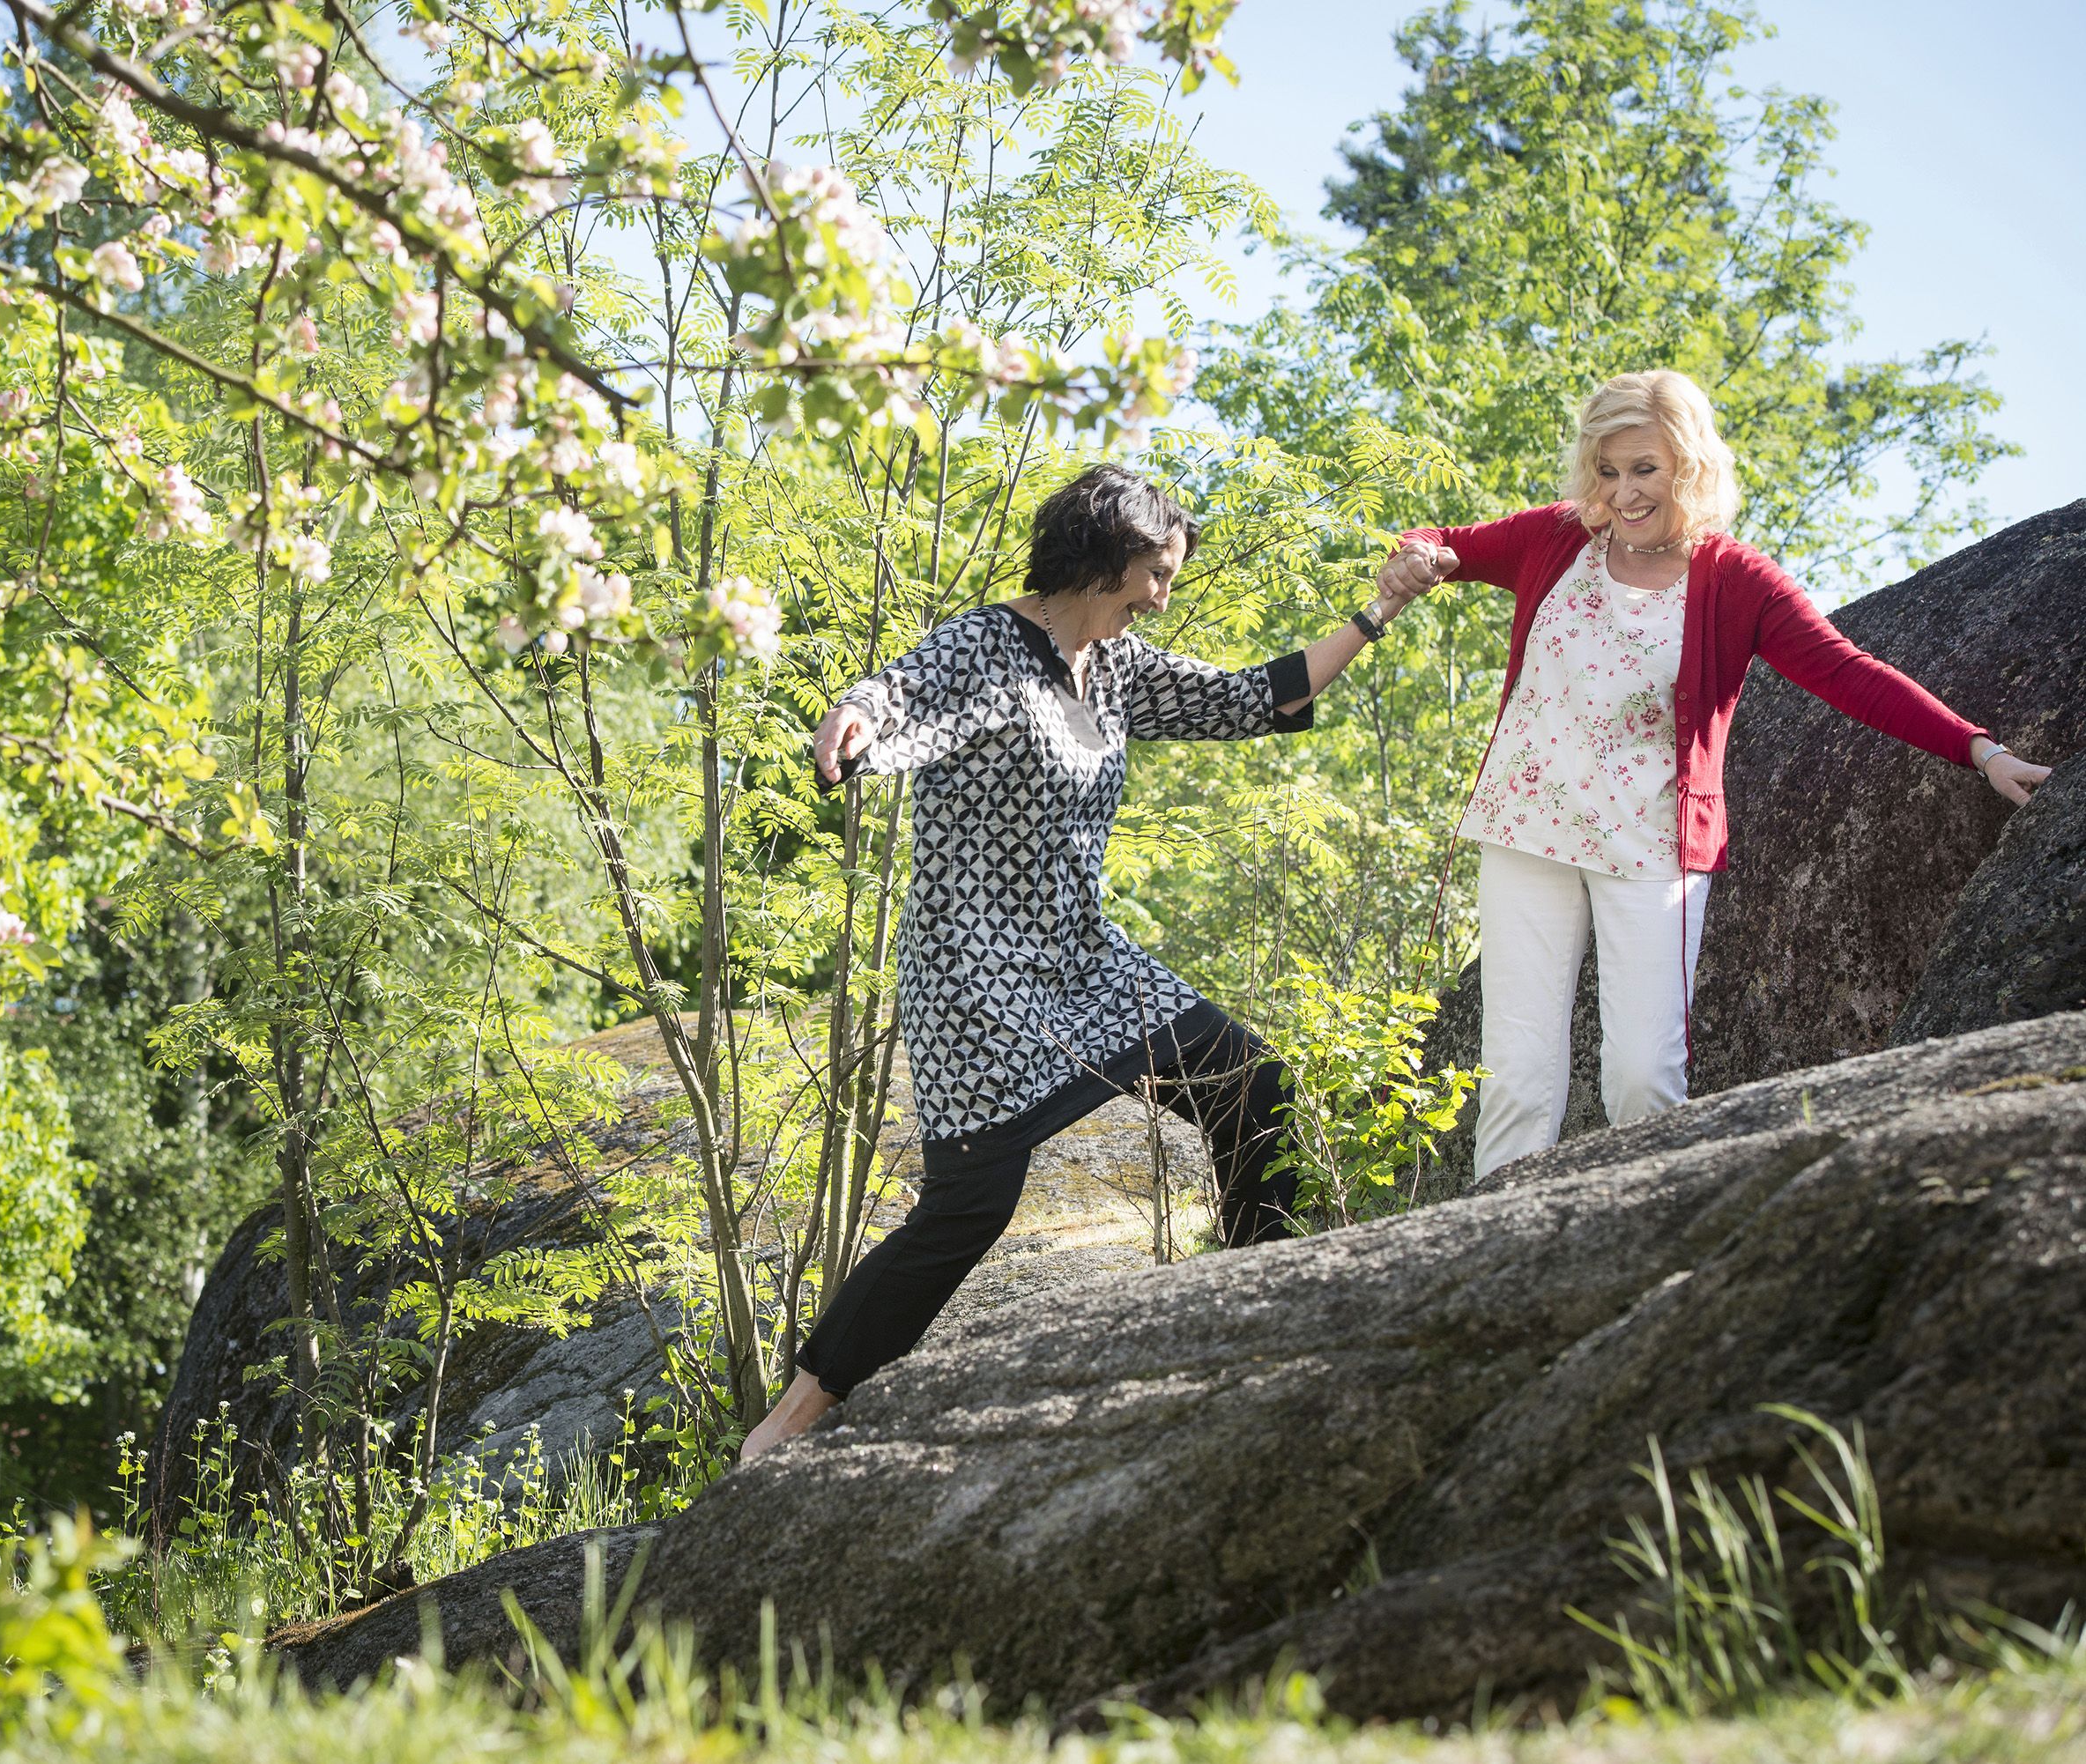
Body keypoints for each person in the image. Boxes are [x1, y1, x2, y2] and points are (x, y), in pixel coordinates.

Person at [740, 462, 1427, 1461]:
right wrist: (852, 714)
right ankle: (792, 1417)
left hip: (1084, 960)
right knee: (969, 1206)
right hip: (974, 976)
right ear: (1101, 554)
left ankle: (1245, 1318)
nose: (1160, 595)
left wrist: (1374, 616)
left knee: (1253, 1084)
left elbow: (1253, 698)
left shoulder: (1116, 665)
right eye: (1154, 573)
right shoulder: (985, 643)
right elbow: (895, 694)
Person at [1382, 369, 2052, 1184]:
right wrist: (1414, 556)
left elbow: (1852, 674)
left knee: (1642, 1078)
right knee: (1516, 1078)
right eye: (1607, 469)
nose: (1624, 492)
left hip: (1652, 850)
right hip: (1527, 831)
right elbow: (1440, 541)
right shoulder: (1554, 539)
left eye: (1645, 469)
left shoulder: (1737, 580)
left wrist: (1980, 750)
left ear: (1689, 466)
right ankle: (1486, 1268)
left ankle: (1652, 1248)